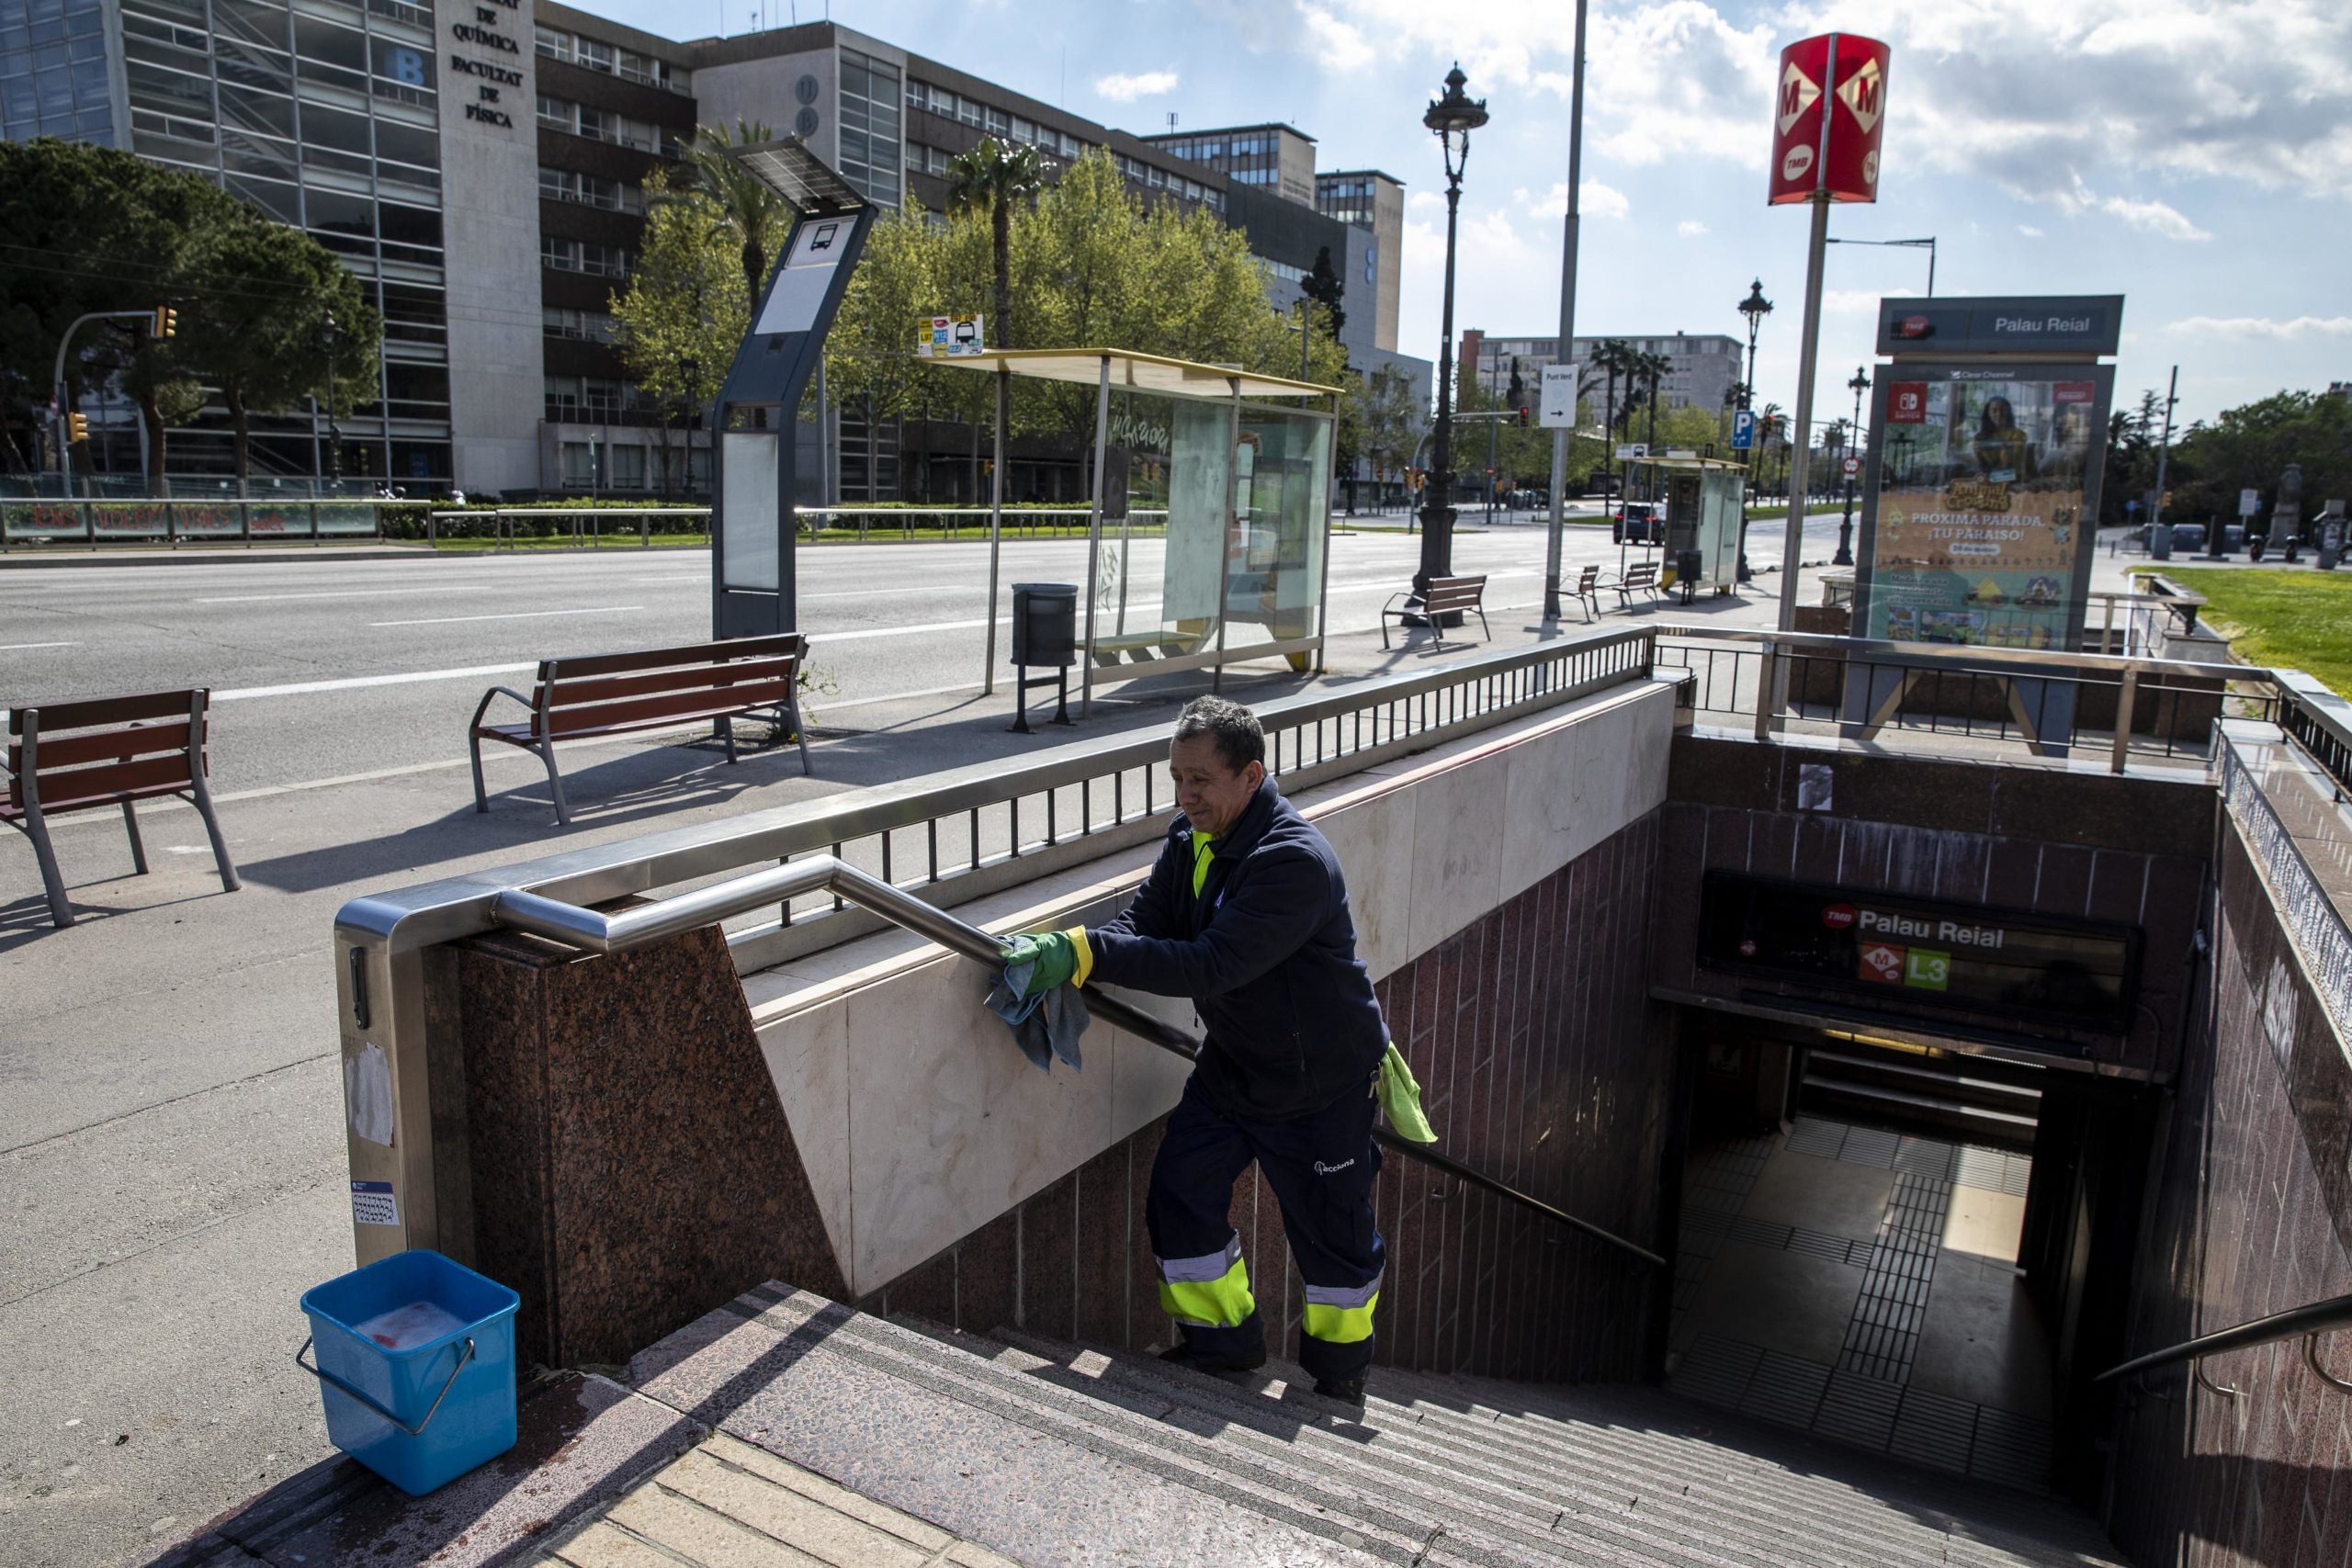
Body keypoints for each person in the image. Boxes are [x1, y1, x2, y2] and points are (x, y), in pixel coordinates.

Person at [1005, 696, 1393, 1405]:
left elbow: (1211, 962)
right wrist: (1080, 953)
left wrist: (1087, 954)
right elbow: (1145, 921)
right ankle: (1224, 1346)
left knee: (1333, 1242)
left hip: (1319, 1082)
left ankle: (1339, 1377)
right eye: (1177, 778)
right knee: (1181, 1192)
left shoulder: (1292, 861)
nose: (1185, 797)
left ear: (1251, 775)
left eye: (1200, 780)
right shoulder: (1192, 841)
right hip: (1235, 1064)